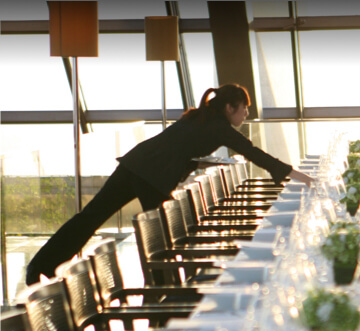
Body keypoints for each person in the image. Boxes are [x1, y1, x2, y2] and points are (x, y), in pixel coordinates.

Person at [26, 83, 314, 285]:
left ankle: (41, 266)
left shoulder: (206, 118)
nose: (246, 115)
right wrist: (301, 176)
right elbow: (254, 153)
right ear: (229, 107)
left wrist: (200, 163)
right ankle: (163, 288)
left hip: (138, 165)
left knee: (92, 217)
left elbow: (178, 147)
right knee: (162, 235)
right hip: (150, 173)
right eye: (244, 109)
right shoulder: (217, 125)